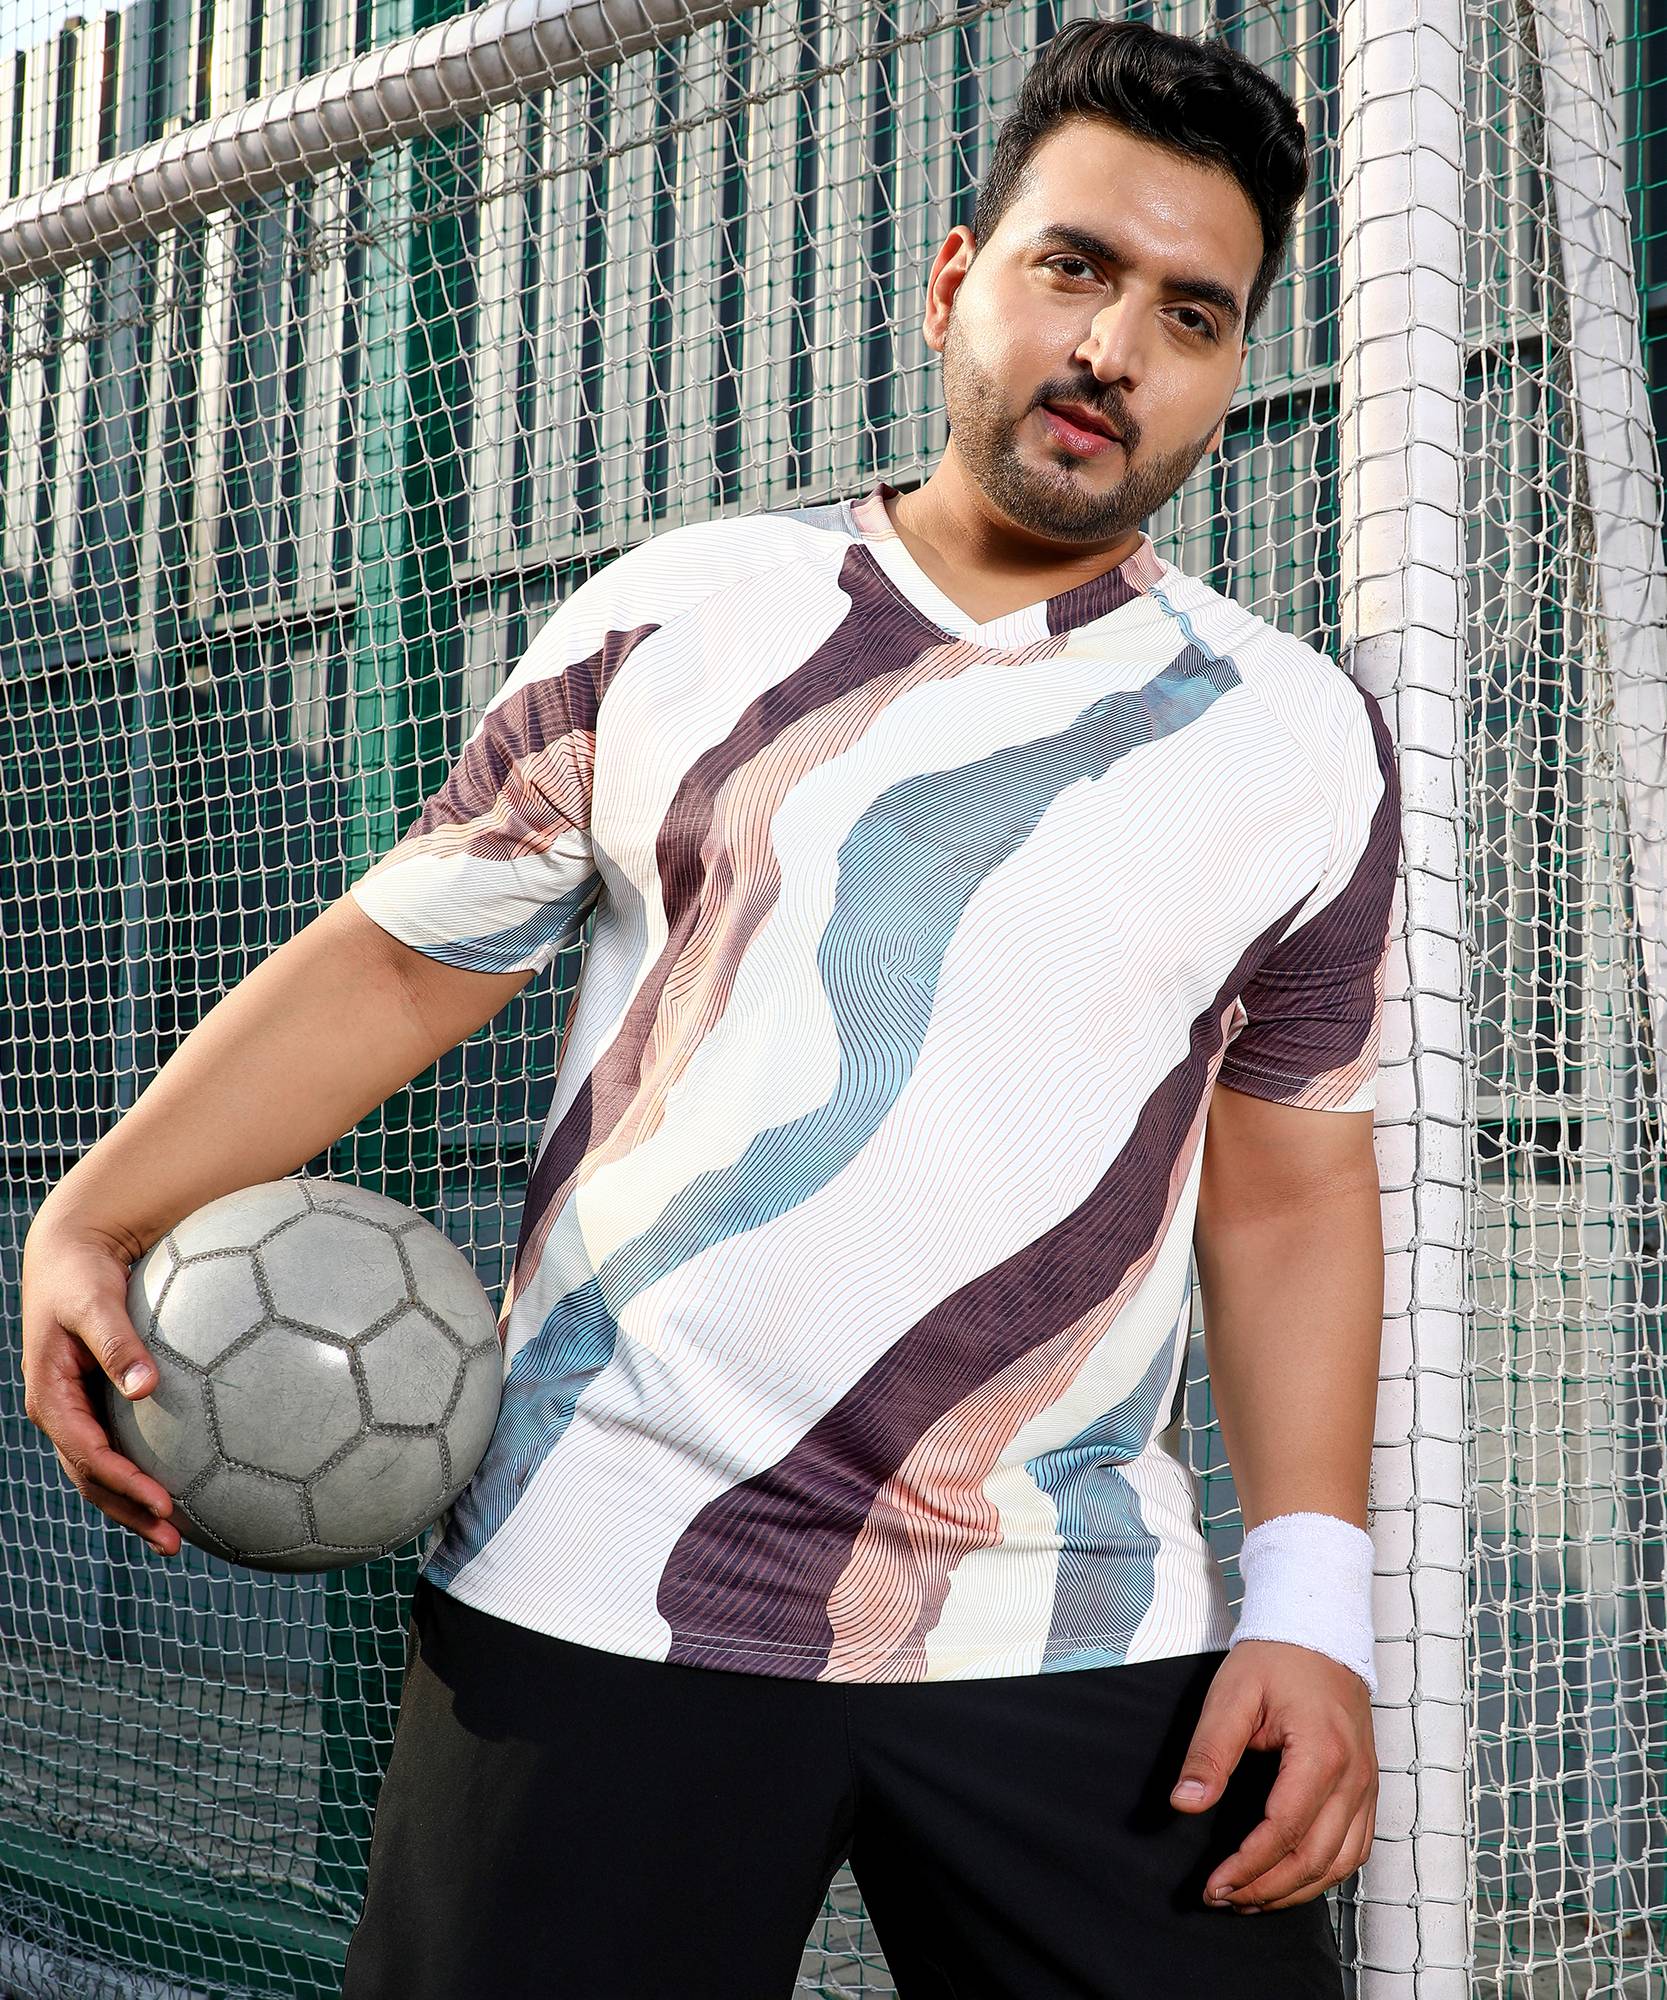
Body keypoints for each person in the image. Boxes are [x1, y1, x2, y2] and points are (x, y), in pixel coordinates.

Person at [21, 18, 1400, 1998]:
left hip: (1073, 1615)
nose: (1115, 347)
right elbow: (402, 958)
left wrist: (1314, 1601)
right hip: (599, 1577)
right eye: (1074, 267)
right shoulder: (683, 613)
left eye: (1193, 313)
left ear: (1234, 368)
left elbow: (1286, 1184)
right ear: (957, 279)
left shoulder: (1297, 736)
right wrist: (92, 1212)